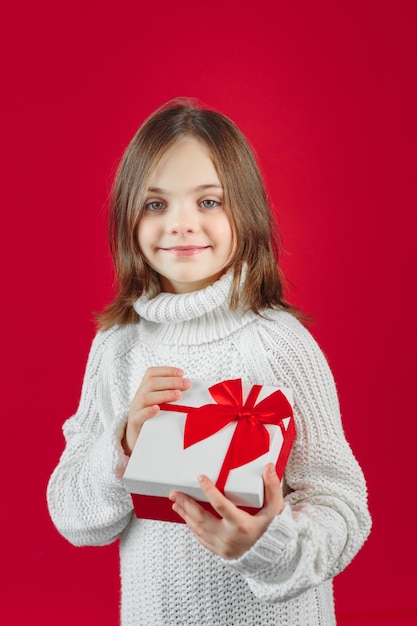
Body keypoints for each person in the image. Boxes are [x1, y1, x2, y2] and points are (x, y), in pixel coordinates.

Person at [47, 99, 371, 626]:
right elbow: (73, 517)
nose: (180, 224)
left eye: (208, 201)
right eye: (156, 204)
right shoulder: (117, 346)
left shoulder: (281, 344)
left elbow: (343, 507)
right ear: (127, 213)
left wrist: (271, 540)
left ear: (245, 209)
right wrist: (122, 445)